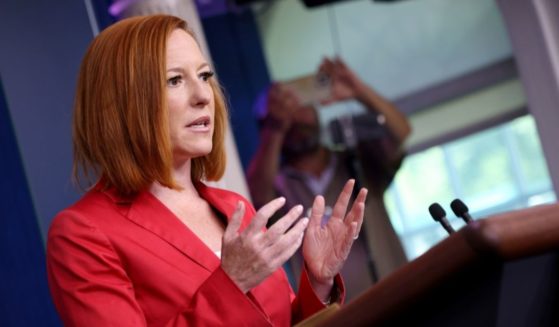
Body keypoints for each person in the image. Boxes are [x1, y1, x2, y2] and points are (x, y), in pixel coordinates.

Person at [46, 15, 368, 326]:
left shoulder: (233, 206)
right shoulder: (82, 235)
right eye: (175, 80)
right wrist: (231, 284)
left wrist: (319, 281)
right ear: (124, 103)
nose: (203, 96)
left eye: (204, 76)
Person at [247, 58, 411, 300]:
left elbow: (401, 132)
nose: (298, 117)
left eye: (303, 105)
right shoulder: (278, 185)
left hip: (402, 298)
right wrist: (276, 127)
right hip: (334, 317)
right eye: (286, 113)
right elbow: (256, 196)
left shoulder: (355, 161)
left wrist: (359, 92)